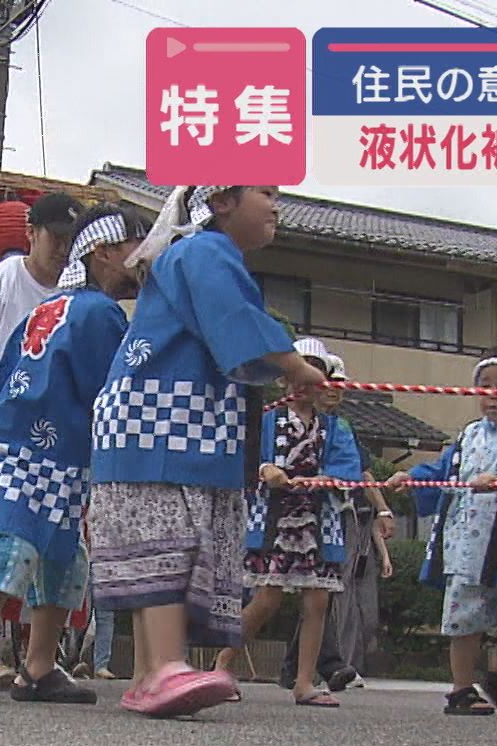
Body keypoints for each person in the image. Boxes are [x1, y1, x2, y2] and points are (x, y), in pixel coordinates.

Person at [87, 185, 327, 718]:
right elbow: (233, 317)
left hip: (159, 419)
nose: (275, 205)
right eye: (265, 192)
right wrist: (292, 365)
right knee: (168, 540)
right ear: (220, 202)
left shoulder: (189, 255)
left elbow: (230, 328)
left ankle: (153, 674)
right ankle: (167, 666)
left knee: (164, 541)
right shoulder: (203, 252)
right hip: (163, 419)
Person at [0, 205, 146, 704]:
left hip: (28, 443)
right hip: (33, 449)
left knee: (64, 556)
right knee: (15, 547)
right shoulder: (99, 313)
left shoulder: (51, 307)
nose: (142, 259)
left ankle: (38, 667)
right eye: (133, 248)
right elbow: (113, 391)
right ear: (103, 253)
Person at [0, 194, 85, 690]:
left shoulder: (77, 292)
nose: (62, 250)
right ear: (31, 232)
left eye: (73, 241)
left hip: (54, 438)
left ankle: (37, 655)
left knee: (52, 542)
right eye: (55, 238)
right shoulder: (7, 278)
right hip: (2, 426)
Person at [391, 344, 497, 715]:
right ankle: (461, 688)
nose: (492, 395)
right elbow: (442, 470)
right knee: (464, 615)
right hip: (467, 545)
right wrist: (414, 477)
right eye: (485, 385)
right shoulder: (468, 436)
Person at [215, 338, 365, 706]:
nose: (303, 384)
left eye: (314, 375)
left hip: (318, 522)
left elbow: (349, 470)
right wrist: (265, 468)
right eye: (297, 373)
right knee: (266, 599)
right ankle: (221, 666)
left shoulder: (336, 429)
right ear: (283, 379)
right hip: (275, 521)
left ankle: (304, 682)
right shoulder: (265, 420)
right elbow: (245, 458)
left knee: (317, 602)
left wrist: (329, 479)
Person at [281, 465, 394, 691]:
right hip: (311, 514)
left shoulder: (346, 451)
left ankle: (306, 667)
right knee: (321, 595)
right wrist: (383, 509)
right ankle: (330, 664)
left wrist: (382, 515)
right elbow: (363, 473)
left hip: (340, 523)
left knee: (323, 596)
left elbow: (363, 475)